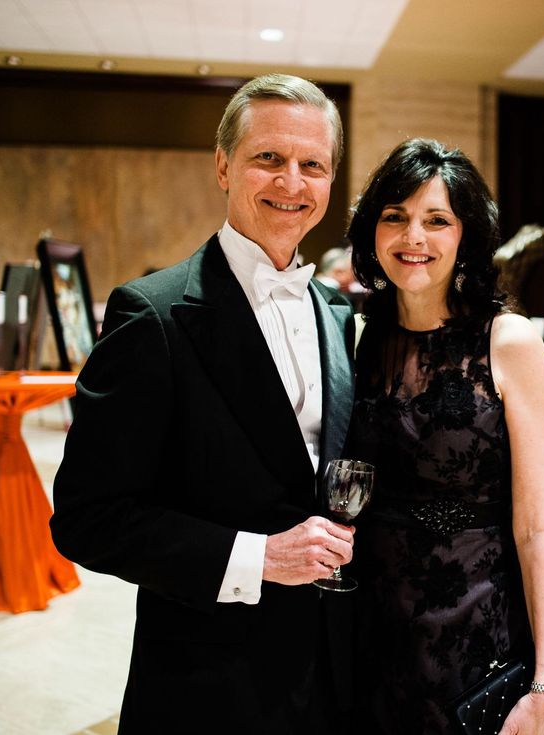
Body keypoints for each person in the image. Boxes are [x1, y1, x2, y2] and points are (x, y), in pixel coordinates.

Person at [49, 73, 357, 732]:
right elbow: (85, 516)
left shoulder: (337, 311)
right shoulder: (152, 315)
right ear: (223, 166)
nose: (292, 183)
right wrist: (260, 558)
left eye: (313, 165)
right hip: (206, 686)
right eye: (268, 158)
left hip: (328, 680)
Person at [346, 138, 544, 734]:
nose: (412, 237)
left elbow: (538, 524)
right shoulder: (355, 340)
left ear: (465, 235)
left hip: (475, 630)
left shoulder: (509, 341)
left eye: (436, 220)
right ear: (373, 231)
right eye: (395, 217)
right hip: (368, 625)